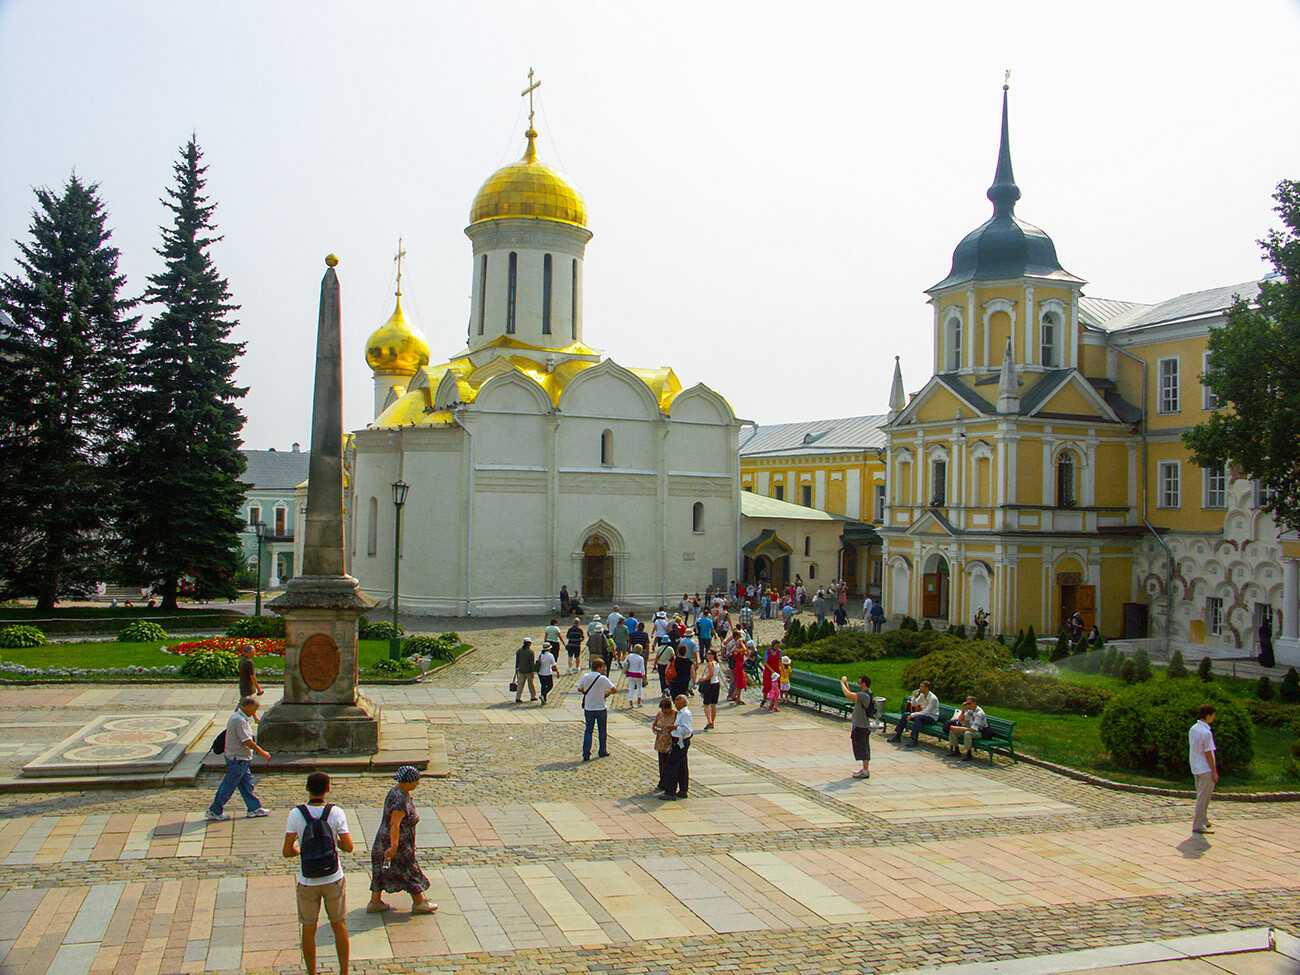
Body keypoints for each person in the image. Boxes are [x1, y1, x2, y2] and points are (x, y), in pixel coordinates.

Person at [284, 771, 353, 975]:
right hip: (333, 878)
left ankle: (312, 972)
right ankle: (344, 971)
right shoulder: (336, 812)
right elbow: (348, 847)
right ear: (328, 789)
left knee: (308, 927)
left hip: (308, 880)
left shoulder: (296, 814)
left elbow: (287, 851)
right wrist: (335, 842)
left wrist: (301, 850)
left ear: (307, 788)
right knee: (338, 924)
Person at [368, 767, 436, 914]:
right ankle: (419, 902)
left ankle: (375, 902)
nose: (418, 783)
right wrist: (394, 846)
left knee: (381, 870)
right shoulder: (400, 799)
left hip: (384, 839)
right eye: (415, 780)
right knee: (409, 870)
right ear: (407, 782)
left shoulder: (396, 792)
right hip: (397, 843)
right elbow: (395, 824)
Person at [206, 696, 270, 821]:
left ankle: (254, 808)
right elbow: (247, 740)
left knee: (247, 784)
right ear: (248, 707)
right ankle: (215, 810)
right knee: (229, 785)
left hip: (242, 758)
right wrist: (262, 752)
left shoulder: (240, 718)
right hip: (238, 759)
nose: (254, 713)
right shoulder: (239, 720)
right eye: (254, 710)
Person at [578, 659, 617, 760]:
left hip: (589, 708)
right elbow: (614, 689)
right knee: (602, 730)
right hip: (600, 707)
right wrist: (607, 693)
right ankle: (602, 750)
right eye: (603, 667)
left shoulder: (585, 676)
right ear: (598, 667)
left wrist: (587, 693)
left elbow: (579, 688)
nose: (604, 669)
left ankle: (586, 753)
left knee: (588, 731)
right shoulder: (602, 678)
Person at [1190, 705, 1219, 834]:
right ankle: (1198, 823)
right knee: (1203, 797)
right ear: (1207, 716)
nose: (1214, 718)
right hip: (1205, 768)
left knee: (1201, 795)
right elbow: (1208, 753)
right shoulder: (1206, 733)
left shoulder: (1194, 729)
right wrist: (1214, 770)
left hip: (1196, 766)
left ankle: (1204, 819)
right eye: (1213, 715)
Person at [840, 675, 875, 779]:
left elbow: (847, 694)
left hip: (862, 725)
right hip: (859, 724)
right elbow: (852, 698)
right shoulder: (862, 695)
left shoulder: (865, 695)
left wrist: (842, 683)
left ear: (864, 683)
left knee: (863, 747)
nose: (859, 684)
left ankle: (865, 770)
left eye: (860, 683)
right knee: (859, 746)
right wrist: (846, 684)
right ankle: (864, 769)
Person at [889, 680, 940, 746]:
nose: (920, 688)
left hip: (931, 718)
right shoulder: (922, 695)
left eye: (922, 686)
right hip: (923, 715)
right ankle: (897, 736)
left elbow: (926, 712)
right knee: (905, 715)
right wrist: (914, 697)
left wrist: (912, 715)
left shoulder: (933, 699)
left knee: (918, 718)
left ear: (927, 688)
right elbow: (914, 704)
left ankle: (914, 740)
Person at [661, 694, 693, 799]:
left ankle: (670, 792)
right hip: (678, 740)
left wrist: (675, 728)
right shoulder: (680, 713)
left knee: (671, 766)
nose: (675, 701)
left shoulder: (685, 714)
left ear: (683, 702)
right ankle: (683, 790)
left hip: (681, 742)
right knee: (681, 766)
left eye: (677, 699)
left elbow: (687, 730)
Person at [947, 696, 991, 760]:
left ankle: (969, 753)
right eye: (967, 704)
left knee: (967, 733)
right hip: (972, 729)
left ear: (975, 703)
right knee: (953, 730)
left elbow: (973, 729)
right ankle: (956, 750)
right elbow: (961, 719)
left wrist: (959, 729)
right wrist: (963, 710)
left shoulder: (979, 713)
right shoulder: (970, 711)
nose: (968, 705)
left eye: (969, 704)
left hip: (980, 732)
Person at [651, 697, 677, 792]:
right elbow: (654, 724)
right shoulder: (660, 714)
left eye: (664, 709)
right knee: (662, 763)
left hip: (669, 742)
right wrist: (655, 728)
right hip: (661, 742)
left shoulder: (675, 715)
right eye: (661, 709)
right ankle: (662, 781)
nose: (663, 711)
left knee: (669, 764)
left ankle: (668, 783)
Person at [699, 648, 721, 729]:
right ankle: (712, 722)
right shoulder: (717, 663)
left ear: (713, 655)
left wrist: (703, 680)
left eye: (709, 653)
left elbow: (710, 675)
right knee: (713, 704)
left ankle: (709, 721)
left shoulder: (710, 664)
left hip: (710, 684)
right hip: (716, 683)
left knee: (706, 704)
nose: (707, 655)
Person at [514, 637, 537, 703]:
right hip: (528, 671)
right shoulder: (530, 652)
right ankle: (533, 696)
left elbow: (517, 660)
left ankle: (518, 697)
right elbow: (531, 662)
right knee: (531, 684)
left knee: (520, 684)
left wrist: (516, 668)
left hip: (521, 670)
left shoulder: (519, 651)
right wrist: (532, 671)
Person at [761, 641, 783, 711]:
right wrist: (771, 669)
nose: (777, 647)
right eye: (776, 645)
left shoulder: (779, 651)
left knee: (776, 686)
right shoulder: (768, 651)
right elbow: (765, 662)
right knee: (767, 685)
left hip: (776, 670)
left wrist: (783, 670)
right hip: (768, 671)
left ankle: (772, 703)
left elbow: (780, 661)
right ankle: (764, 699)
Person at [731, 639, 752, 704]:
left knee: (742, 681)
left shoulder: (741, 650)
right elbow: (744, 650)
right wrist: (742, 644)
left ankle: (734, 696)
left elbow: (747, 653)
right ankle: (738, 698)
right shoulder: (736, 650)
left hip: (741, 667)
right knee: (739, 683)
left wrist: (745, 645)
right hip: (737, 667)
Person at [625, 643, 646, 707]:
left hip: (630, 673)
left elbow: (624, 663)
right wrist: (644, 677)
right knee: (639, 688)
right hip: (638, 674)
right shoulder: (640, 658)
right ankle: (639, 702)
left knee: (631, 688)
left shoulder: (629, 656)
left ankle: (631, 702)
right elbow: (642, 668)